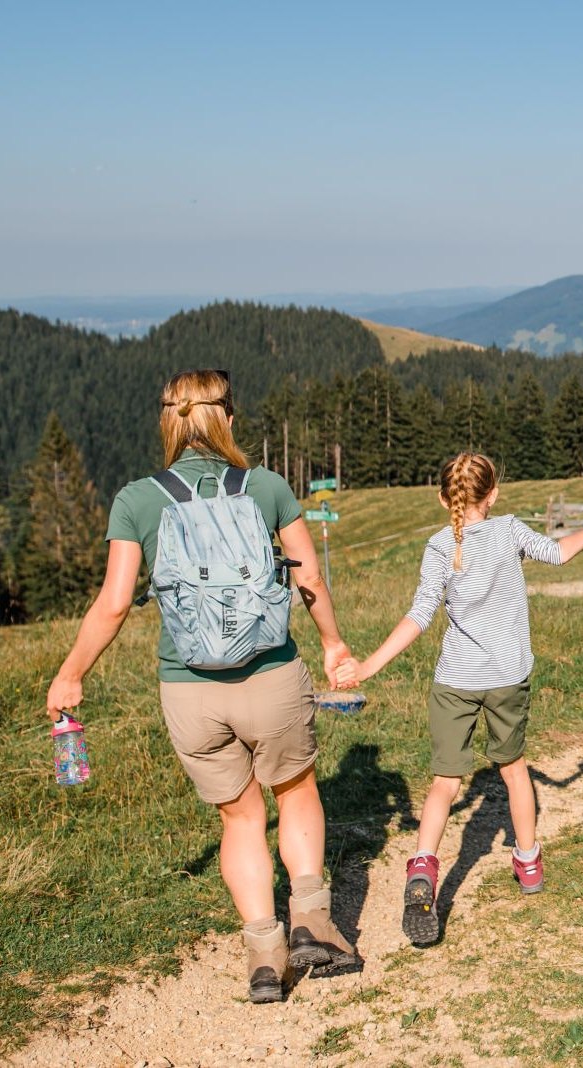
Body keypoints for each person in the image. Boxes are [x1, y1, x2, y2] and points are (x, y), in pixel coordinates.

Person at [45, 368, 360, 1004]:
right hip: (271, 674)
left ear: (170, 422)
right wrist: (333, 644)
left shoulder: (138, 499)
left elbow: (112, 604)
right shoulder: (266, 486)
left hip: (190, 691)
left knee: (241, 818)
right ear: (228, 420)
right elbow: (310, 580)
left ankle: (265, 960)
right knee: (295, 792)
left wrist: (71, 674)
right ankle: (314, 926)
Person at [341, 453, 583, 947]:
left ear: (443, 498)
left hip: (455, 681)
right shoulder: (510, 530)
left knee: (445, 783)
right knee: (513, 770)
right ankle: (528, 864)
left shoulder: (438, 545)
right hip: (507, 678)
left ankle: (423, 869)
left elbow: (419, 616)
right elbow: (559, 553)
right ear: (495, 494)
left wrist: (367, 666)